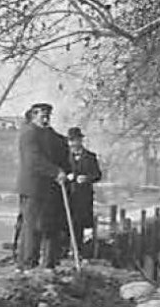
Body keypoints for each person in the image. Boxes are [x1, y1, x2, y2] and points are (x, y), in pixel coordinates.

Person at [14, 103, 69, 268]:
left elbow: (61, 149)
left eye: (47, 116)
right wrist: (55, 171)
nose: (45, 119)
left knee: (50, 226)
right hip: (33, 188)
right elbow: (34, 160)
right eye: (42, 116)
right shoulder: (28, 134)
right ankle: (27, 264)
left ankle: (48, 264)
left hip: (50, 189)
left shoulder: (50, 135)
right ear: (33, 116)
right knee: (31, 227)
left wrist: (63, 169)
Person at [64, 127, 103, 259]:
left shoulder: (90, 157)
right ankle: (64, 250)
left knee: (78, 223)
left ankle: (77, 250)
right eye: (71, 141)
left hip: (83, 196)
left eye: (76, 140)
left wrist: (86, 178)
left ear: (81, 141)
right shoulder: (63, 156)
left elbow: (97, 175)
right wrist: (66, 177)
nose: (73, 144)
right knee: (64, 222)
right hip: (66, 195)